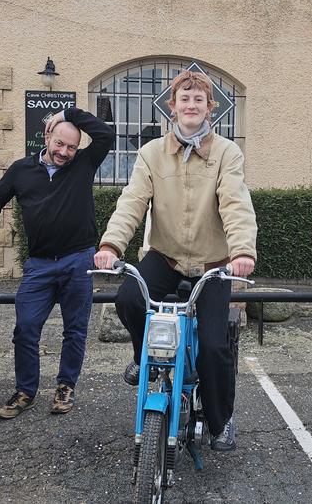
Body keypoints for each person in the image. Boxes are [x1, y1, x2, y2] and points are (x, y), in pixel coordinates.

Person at [94, 70, 257, 452]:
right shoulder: (151, 153)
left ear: (210, 108)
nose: (191, 105)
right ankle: (141, 356)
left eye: (199, 99)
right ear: (172, 106)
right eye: (184, 98)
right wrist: (111, 246)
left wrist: (242, 252)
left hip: (214, 264)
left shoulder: (226, 153)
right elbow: (132, 202)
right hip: (164, 257)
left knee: (214, 348)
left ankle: (220, 422)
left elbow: (235, 203)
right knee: (128, 300)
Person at [0, 106, 113, 419]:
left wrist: (69, 113)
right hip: (39, 264)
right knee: (26, 328)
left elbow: (105, 134)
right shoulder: (21, 170)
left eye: (71, 146)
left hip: (78, 259)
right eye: (59, 143)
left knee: (74, 330)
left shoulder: (84, 163)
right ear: (46, 137)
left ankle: (65, 386)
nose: (65, 152)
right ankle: (25, 391)